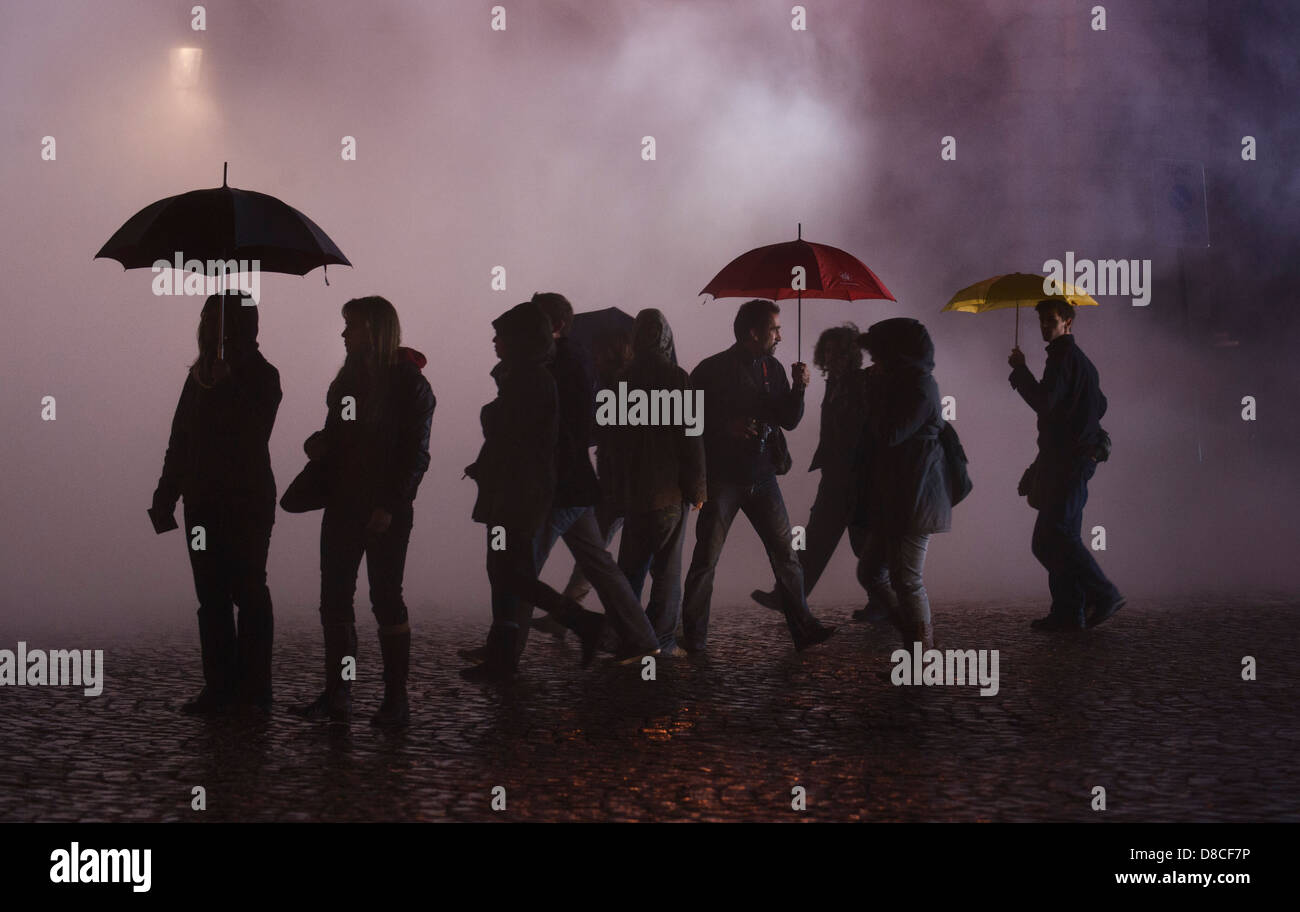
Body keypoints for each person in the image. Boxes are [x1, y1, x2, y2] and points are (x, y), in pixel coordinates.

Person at [290, 296, 435, 727]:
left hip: (384, 510)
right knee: (334, 600)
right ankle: (340, 693)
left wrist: (390, 505)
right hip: (343, 504)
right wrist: (320, 444)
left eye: (350, 326)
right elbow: (339, 435)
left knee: (385, 599)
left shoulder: (410, 385)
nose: (343, 334)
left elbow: (415, 455)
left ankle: (395, 699)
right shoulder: (348, 382)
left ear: (373, 330)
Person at [459, 300, 610, 682]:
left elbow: (514, 433)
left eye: (502, 335)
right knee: (508, 572)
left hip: (516, 495)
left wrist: (490, 416)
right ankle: (504, 657)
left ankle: (579, 622)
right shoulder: (527, 376)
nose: (495, 341)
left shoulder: (531, 379)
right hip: (515, 491)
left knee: (510, 574)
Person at [151, 292, 281, 715]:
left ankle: (255, 689)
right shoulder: (200, 376)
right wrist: (165, 494)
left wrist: (230, 387)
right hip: (202, 503)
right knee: (211, 596)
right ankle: (221, 686)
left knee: (248, 590)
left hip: (246, 501)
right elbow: (181, 438)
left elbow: (255, 431)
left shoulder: (262, 375)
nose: (205, 323)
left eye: (212, 316)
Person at [680, 299, 836, 653]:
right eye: (774, 328)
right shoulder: (711, 370)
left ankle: (804, 629)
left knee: (787, 558)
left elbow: (789, 420)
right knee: (706, 561)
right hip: (722, 480)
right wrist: (725, 427)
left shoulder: (775, 369)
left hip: (764, 476)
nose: (780, 335)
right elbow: (688, 421)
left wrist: (799, 388)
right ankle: (695, 638)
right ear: (754, 332)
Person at [1009, 299, 1124, 630]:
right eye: (1043, 321)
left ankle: (1102, 594)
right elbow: (1098, 405)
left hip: (1069, 463)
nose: (1045, 327)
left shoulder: (1062, 358)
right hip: (1071, 460)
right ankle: (1068, 612)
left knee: (1051, 537)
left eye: (1052, 321)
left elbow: (1045, 403)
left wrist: (1019, 369)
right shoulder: (1082, 362)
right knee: (1059, 536)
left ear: (1068, 322)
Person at [750, 324, 876, 618]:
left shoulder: (861, 382)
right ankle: (787, 595)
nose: (832, 359)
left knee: (862, 544)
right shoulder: (835, 383)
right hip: (835, 476)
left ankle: (884, 601)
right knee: (816, 541)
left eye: (839, 353)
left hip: (856, 477)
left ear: (851, 355)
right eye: (829, 353)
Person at [604, 309, 706, 656]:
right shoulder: (677, 377)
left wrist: (613, 487)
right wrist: (698, 488)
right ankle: (660, 639)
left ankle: (627, 636)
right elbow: (691, 436)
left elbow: (610, 442)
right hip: (668, 491)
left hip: (633, 492)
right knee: (666, 571)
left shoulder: (622, 380)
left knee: (630, 568)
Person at [852, 318, 951, 651]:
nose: (874, 363)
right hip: (896, 496)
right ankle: (912, 636)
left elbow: (890, 433)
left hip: (917, 495)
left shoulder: (921, 386)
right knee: (870, 571)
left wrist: (874, 390)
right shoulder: (902, 383)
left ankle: (921, 655)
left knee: (907, 580)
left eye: (879, 356)